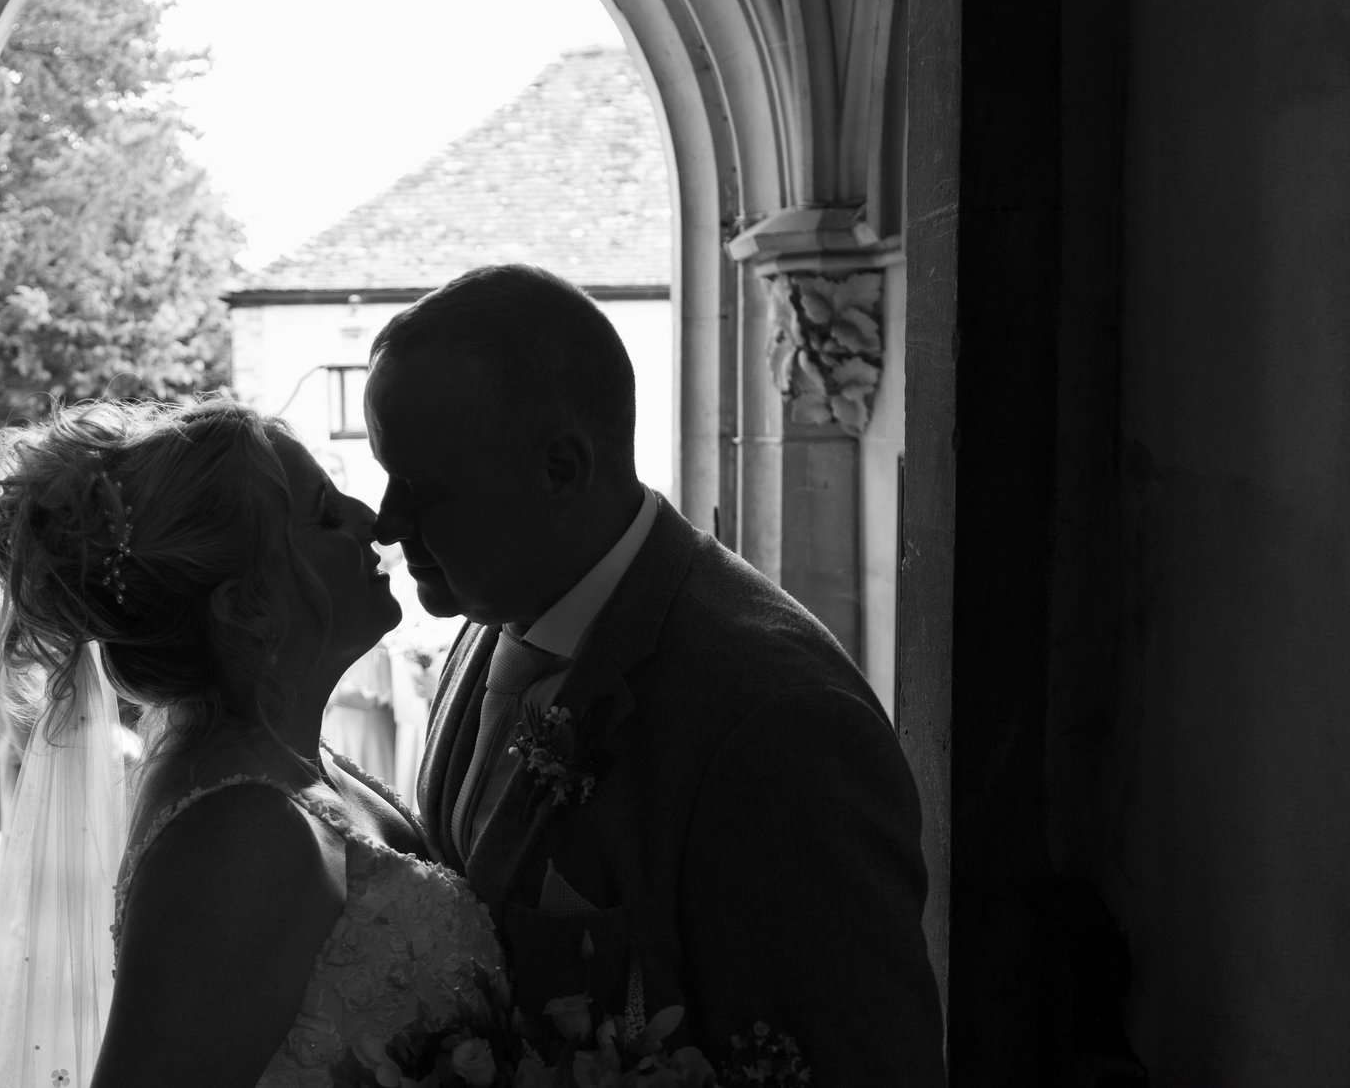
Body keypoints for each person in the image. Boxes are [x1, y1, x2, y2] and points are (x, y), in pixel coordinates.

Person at [366, 264, 947, 1087]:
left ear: (562, 468)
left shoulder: (777, 721)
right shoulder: (493, 610)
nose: (386, 521)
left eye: (421, 488)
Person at [0, 399, 505, 1088]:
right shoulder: (237, 837)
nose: (369, 519)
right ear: (246, 605)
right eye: (323, 512)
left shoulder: (297, 764)